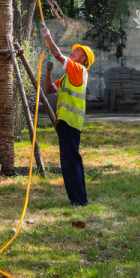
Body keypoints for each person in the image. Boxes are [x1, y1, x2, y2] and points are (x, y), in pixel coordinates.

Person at [41, 23, 95, 206]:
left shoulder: (78, 70)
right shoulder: (68, 76)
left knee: (70, 163)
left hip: (70, 123)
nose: (74, 52)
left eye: (78, 52)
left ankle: (78, 201)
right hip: (66, 123)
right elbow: (48, 89)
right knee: (73, 161)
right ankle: (80, 199)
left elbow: (57, 54)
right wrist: (48, 72)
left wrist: (47, 35)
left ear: (83, 60)